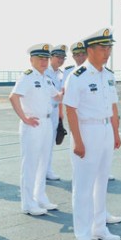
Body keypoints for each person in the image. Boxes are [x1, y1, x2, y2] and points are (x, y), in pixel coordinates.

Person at [64, 28, 121, 240]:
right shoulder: (77, 76)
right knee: (84, 185)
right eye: (102, 48)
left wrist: (116, 133)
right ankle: (83, 233)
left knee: (102, 181)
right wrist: (77, 141)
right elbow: (70, 109)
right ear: (90, 50)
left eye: (109, 47)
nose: (107, 52)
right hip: (86, 131)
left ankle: (100, 228)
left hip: (106, 130)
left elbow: (113, 106)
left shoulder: (108, 75)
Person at [9, 44, 61, 215]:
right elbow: (13, 96)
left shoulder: (46, 78)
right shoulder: (27, 77)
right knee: (30, 164)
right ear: (31, 60)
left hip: (46, 124)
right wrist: (24, 118)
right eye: (40, 58)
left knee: (43, 162)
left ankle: (40, 197)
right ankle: (28, 203)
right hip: (32, 125)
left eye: (46, 58)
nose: (43, 61)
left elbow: (57, 96)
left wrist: (70, 86)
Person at [44, 44, 67, 182]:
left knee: (50, 142)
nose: (61, 59)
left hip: (54, 111)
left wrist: (60, 112)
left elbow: (61, 96)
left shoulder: (62, 74)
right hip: (43, 111)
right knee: (41, 143)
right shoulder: (44, 72)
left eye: (63, 57)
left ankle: (47, 169)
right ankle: (40, 170)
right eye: (58, 57)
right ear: (51, 57)